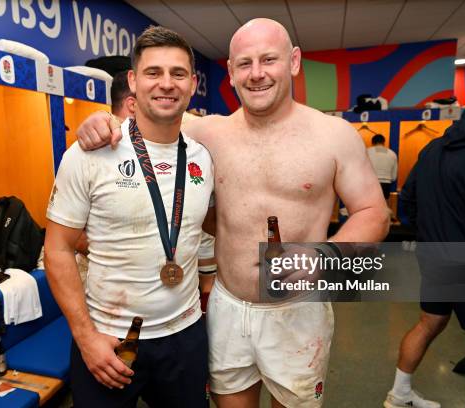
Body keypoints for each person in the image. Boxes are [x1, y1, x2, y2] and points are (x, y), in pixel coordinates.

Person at [77, 18, 389, 408]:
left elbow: (373, 211)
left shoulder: (334, 135)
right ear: (230, 73)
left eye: (268, 60)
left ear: (293, 62)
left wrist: (324, 257)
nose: (256, 74)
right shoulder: (206, 134)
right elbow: (145, 124)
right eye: (244, 63)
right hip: (229, 306)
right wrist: (103, 122)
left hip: (297, 310)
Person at [44, 26, 214, 408]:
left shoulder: (204, 157)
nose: (166, 84)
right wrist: (85, 337)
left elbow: (209, 228)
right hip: (108, 339)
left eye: (178, 73)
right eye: (154, 72)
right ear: (134, 82)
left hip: (184, 336)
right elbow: (57, 249)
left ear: (192, 84)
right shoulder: (88, 153)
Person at [387, 81, 465, 408]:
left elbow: (408, 200)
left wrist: (427, 234)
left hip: (434, 255)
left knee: (430, 322)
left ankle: (399, 394)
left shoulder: (433, 148)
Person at [367, 134, 397, 200]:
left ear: (372, 142)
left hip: (370, 183)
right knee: (383, 207)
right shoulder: (392, 154)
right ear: (384, 142)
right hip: (386, 185)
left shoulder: (367, 152)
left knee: (369, 206)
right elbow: (394, 177)